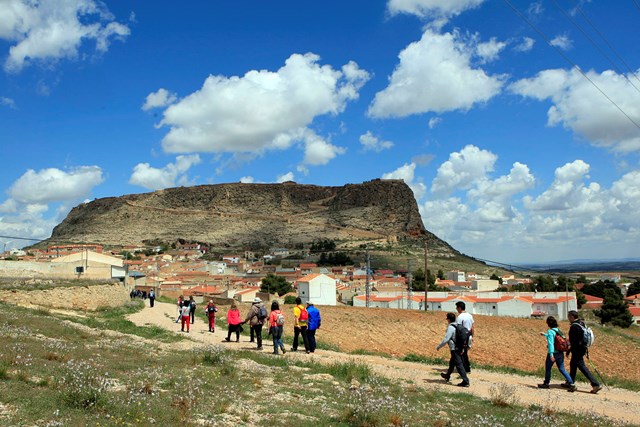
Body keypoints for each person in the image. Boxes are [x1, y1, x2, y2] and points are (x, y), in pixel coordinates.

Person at [567, 310, 602, 394]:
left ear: (572, 317)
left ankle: (595, 384)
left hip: (577, 350)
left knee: (581, 366)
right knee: (573, 365)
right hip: (582, 348)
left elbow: (573, 341)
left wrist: (569, 350)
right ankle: (570, 382)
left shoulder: (574, 326)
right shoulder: (581, 323)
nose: (568, 318)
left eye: (569, 316)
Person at [538, 316, 576, 391]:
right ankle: (571, 383)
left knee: (548, 368)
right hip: (560, 353)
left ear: (548, 324)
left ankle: (546, 383)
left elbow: (551, 343)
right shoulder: (558, 331)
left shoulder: (550, 331)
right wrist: (545, 335)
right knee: (562, 369)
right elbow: (557, 339)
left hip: (553, 353)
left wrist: (551, 354)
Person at [436, 312, 470, 387]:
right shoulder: (457, 325)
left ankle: (465, 381)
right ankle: (447, 375)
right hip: (459, 347)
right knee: (452, 362)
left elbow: (446, 339)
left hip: (454, 348)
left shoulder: (451, 327)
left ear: (448, 319)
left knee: (459, 364)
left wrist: (439, 346)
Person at [455, 301, 474, 373]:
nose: (456, 309)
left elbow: (458, 328)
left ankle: (465, 368)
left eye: (457, 307)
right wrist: (472, 336)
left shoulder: (460, 317)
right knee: (465, 352)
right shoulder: (470, 315)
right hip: (469, 335)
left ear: (459, 308)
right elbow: (472, 327)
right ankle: (465, 367)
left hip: (463, 336)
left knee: (462, 352)